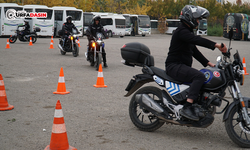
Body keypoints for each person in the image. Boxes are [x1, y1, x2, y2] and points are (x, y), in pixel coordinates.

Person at [165, 5, 227, 121]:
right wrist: (216, 45)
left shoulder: (187, 32)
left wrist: (210, 64)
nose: (198, 21)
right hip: (174, 66)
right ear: (190, 18)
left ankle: (197, 104)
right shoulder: (181, 31)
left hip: (181, 66)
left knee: (203, 76)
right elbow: (197, 40)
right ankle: (187, 107)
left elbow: (194, 51)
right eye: (197, 19)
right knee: (199, 76)